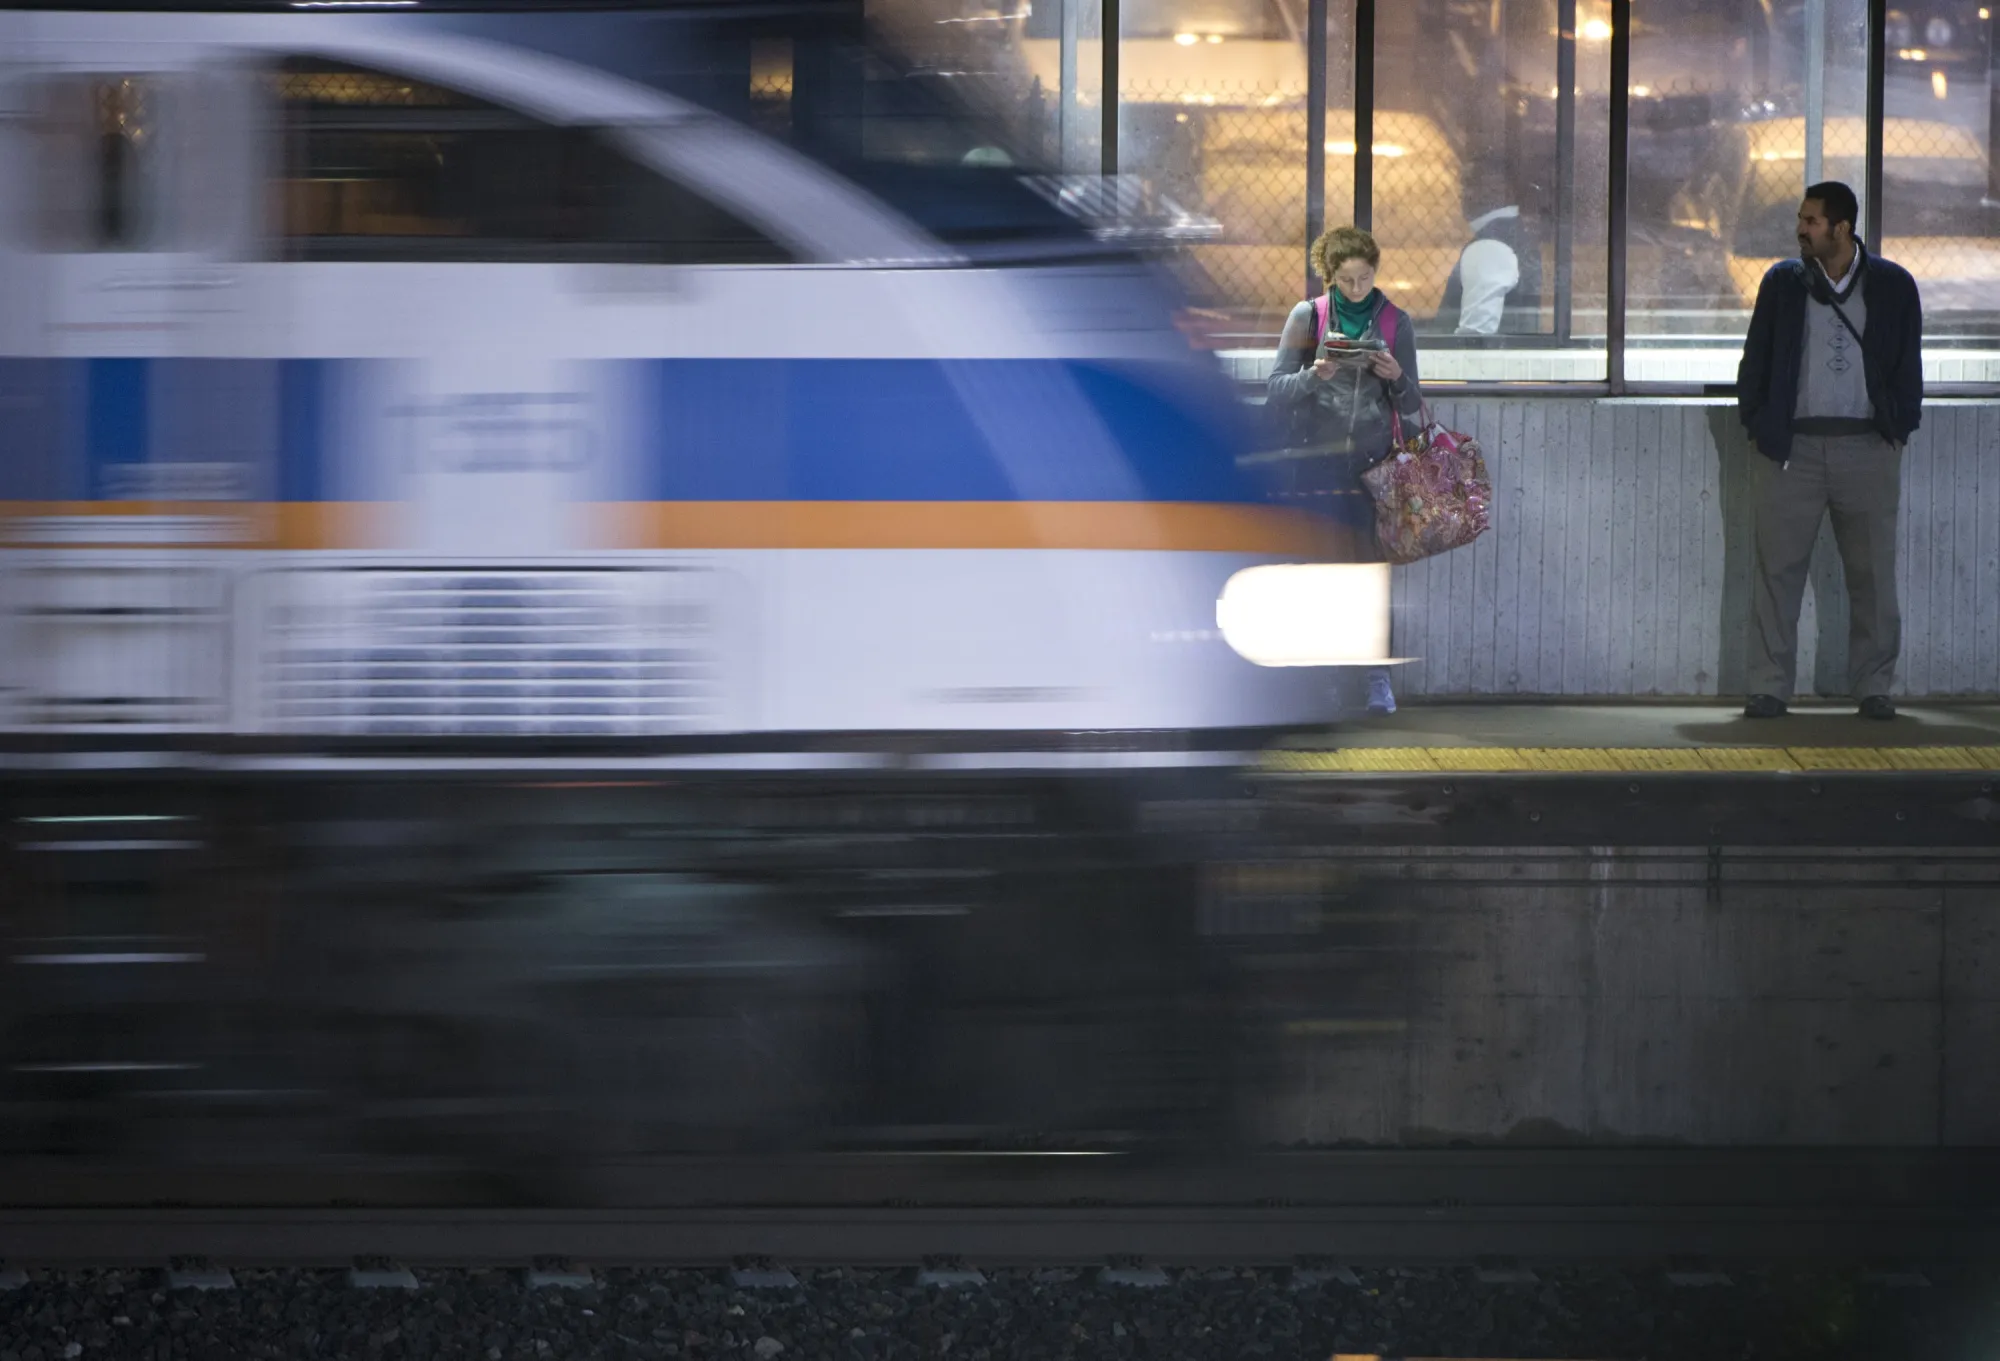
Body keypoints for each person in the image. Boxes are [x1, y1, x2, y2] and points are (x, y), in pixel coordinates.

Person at [1735, 180, 1924, 721]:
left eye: (1811, 221)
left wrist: (1899, 427)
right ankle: (1769, 686)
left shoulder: (1891, 285)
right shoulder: (1783, 283)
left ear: (1842, 228)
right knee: (1777, 573)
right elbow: (1757, 359)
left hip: (1866, 446)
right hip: (1790, 449)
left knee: (1872, 575)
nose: (1801, 228)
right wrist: (1759, 423)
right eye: (1801, 219)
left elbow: (1908, 362)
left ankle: (1873, 686)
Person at [1267, 225, 1426, 716]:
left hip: (1373, 470)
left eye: (1365, 277)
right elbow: (1275, 389)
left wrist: (1396, 378)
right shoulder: (1308, 316)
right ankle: (1331, 680)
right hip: (1318, 467)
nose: (1357, 288)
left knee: (1371, 575)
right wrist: (1314, 375)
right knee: (1324, 573)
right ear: (1328, 276)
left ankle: (1377, 679)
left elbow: (1414, 402)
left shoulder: (1396, 321)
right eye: (1347, 280)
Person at [1434, 167, 1543, 336]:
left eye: (1469, 186)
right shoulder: (1511, 235)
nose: (1462, 195)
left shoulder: (1489, 246)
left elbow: (1475, 339)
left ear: (1498, 192)